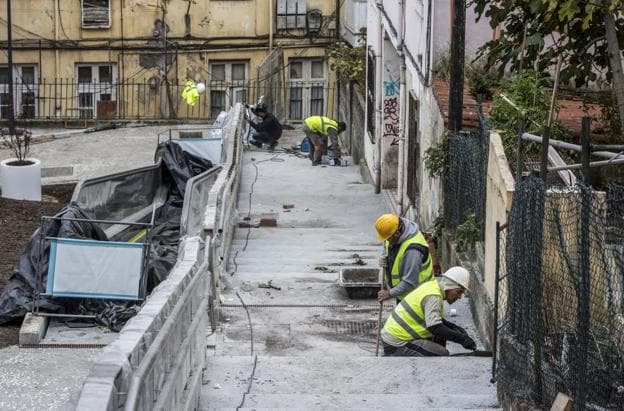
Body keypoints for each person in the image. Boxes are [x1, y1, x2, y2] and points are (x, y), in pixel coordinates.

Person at [381, 266, 477, 356]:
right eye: (459, 291)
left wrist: (453, 327)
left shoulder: (433, 286)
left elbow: (435, 319)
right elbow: (435, 328)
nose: (460, 297)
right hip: (396, 343)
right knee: (443, 353)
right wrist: (462, 339)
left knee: (440, 336)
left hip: (393, 336)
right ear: (449, 287)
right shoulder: (434, 296)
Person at [375, 213, 434, 303]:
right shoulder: (394, 231)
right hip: (404, 296)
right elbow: (386, 246)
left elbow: (410, 282)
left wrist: (389, 293)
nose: (387, 241)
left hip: (418, 298)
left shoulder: (413, 251)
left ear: (397, 233)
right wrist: (384, 258)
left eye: (388, 238)